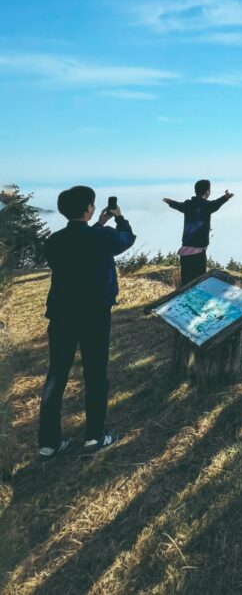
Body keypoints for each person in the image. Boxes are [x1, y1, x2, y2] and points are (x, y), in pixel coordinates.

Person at [37, 185, 136, 458]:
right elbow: (126, 239)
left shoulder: (54, 241)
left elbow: (78, 246)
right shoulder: (100, 237)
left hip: (61, 315)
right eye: (92, 204)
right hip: (94, 315)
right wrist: (118, 218)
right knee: (95, 374)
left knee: (56, 375)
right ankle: (94, 436)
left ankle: (48, 443)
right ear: (89, 208)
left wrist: (98, 225)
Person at [163, 180, 234, 285]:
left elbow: (178, 205)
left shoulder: (188, 204)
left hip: (185, 252)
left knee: (186, 283)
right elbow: (216, 203)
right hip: (198, 254)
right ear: (207, 191)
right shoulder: (207, 205)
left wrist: (170, 202)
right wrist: (225, 198)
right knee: (199, 283)